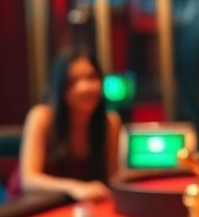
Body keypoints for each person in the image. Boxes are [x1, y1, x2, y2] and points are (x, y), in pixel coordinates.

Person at [12, 50, 122, 202]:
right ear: (60, 88)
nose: (85, 87)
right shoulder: (41, 116)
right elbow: (29, 180)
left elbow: (112, 178)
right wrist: (75, 187)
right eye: (72, 81)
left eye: (92, 77)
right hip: (32, 205)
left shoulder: (111, 122)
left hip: (79, 207)